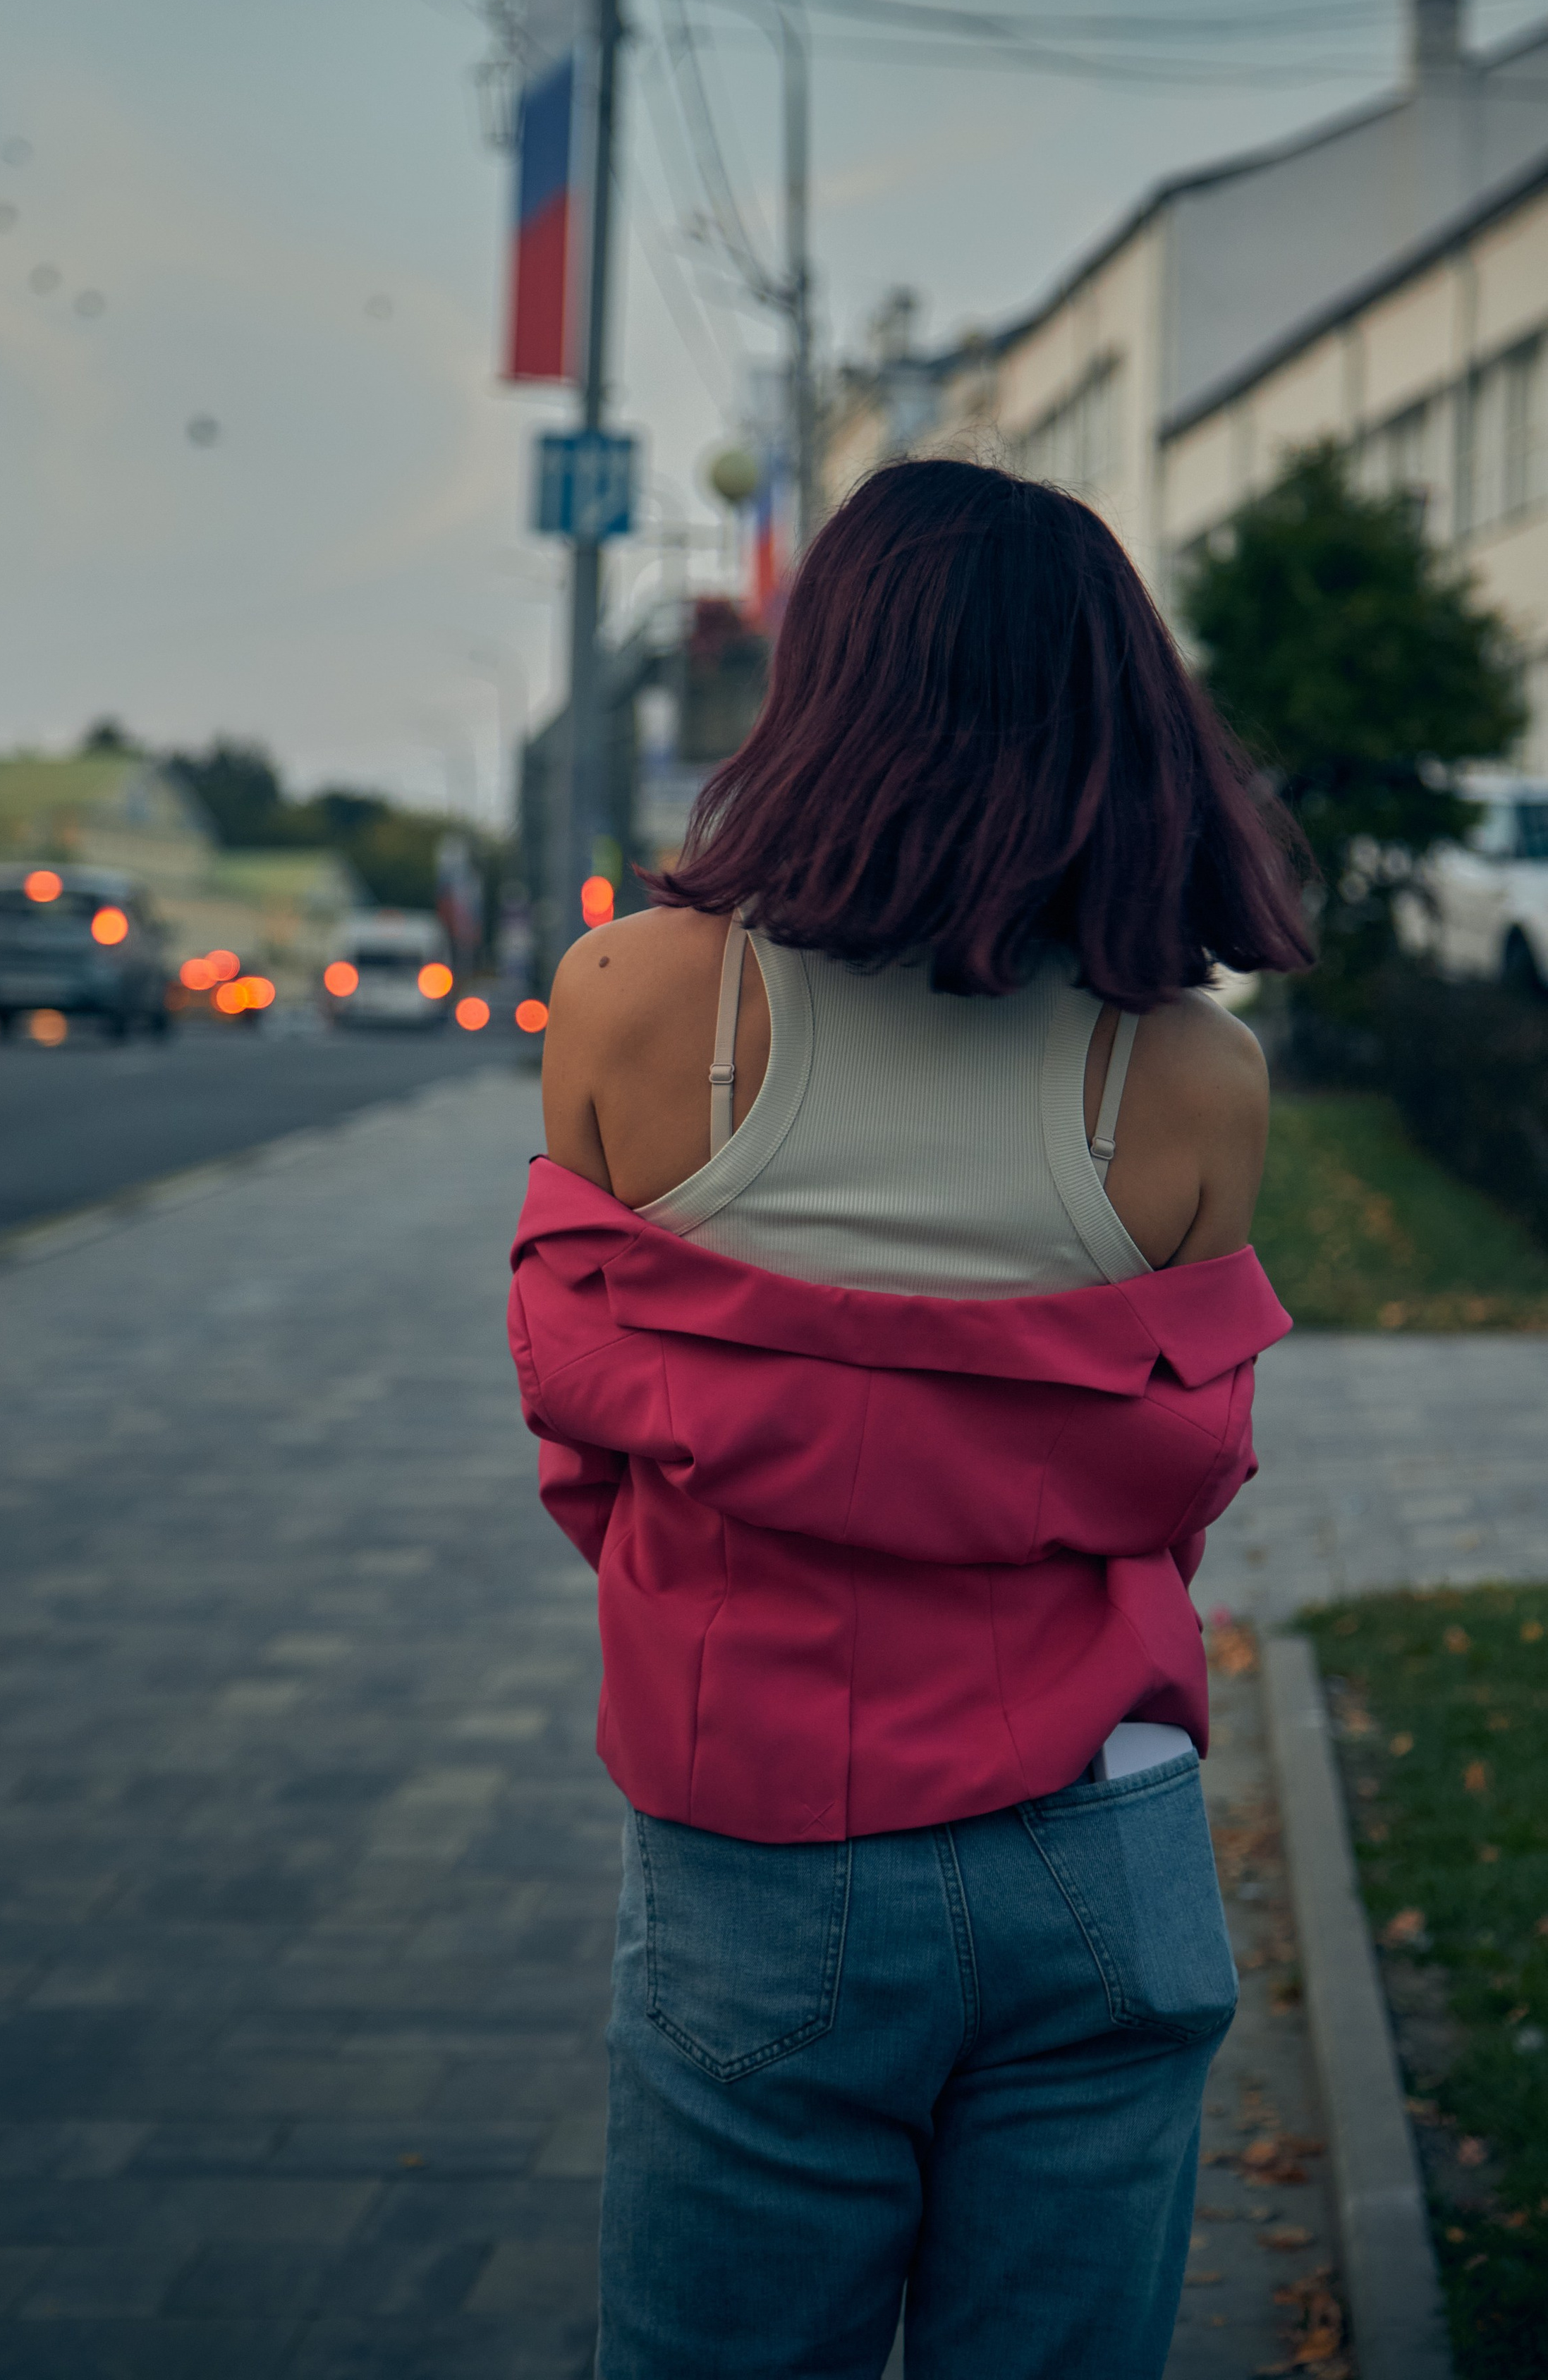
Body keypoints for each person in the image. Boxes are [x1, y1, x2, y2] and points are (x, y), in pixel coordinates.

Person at [508, 458, 1312, 2380]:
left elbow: (590, 1442)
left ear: (829, 690)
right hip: (1102, 1847)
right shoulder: (1194, 1078)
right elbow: (1152, 1495)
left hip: (764, 1828)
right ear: (1125, 707)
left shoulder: (636, 1004)